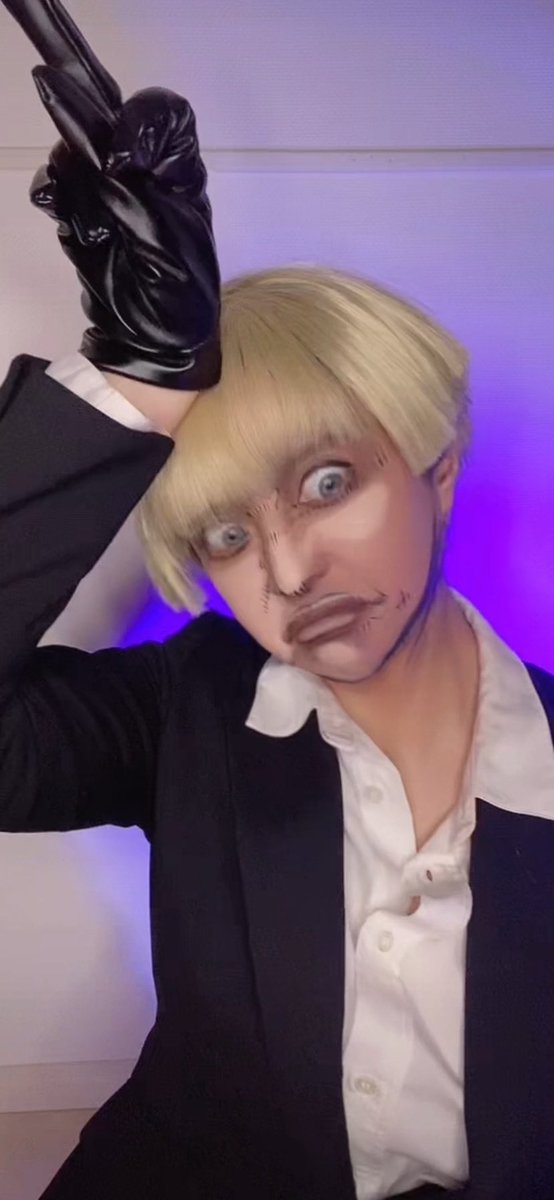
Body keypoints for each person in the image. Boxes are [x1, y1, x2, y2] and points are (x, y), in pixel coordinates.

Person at [1, 3, 553, 1199]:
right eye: (227, 534)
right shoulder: (187, 710)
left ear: (437, 466)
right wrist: (135, 384)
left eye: (326, 482)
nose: (289, 572)